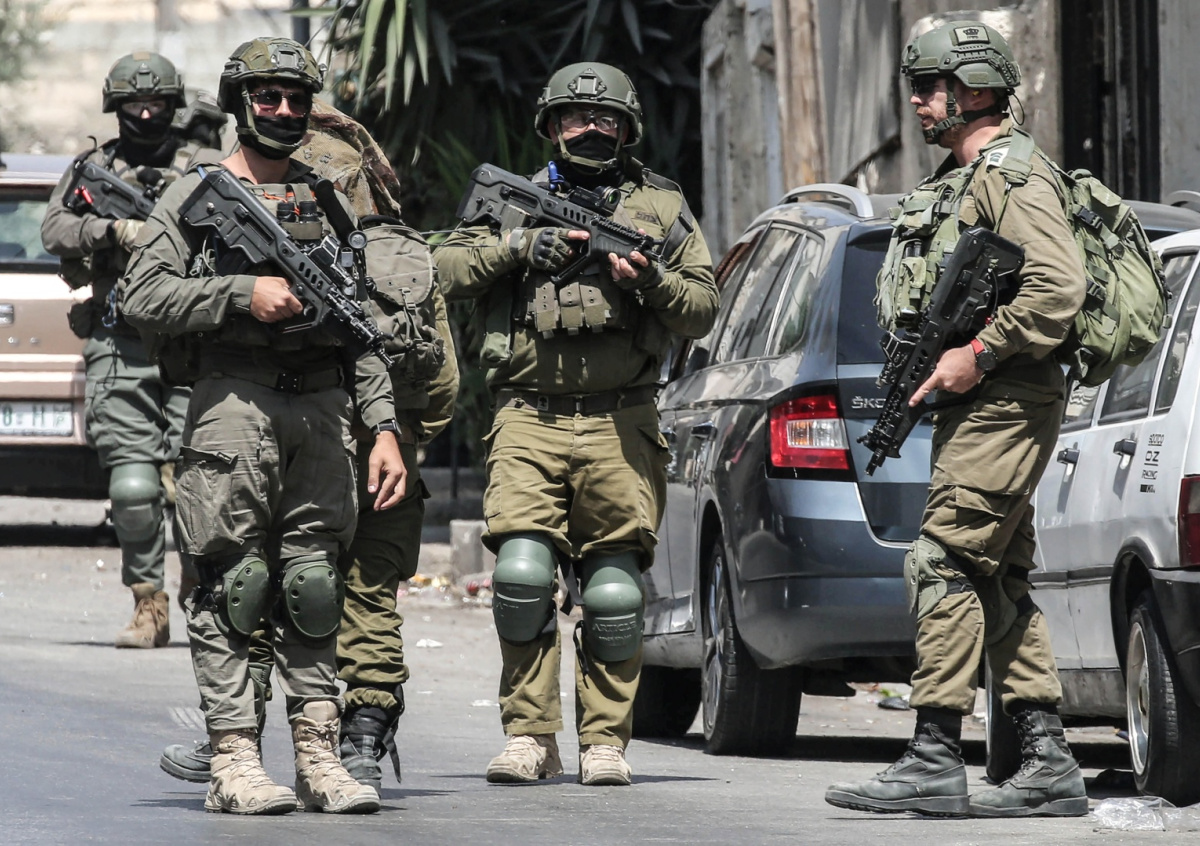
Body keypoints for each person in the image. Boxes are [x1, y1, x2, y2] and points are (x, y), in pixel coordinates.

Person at [120, 36, 406, 816]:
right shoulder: (197, 192)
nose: (282, 110)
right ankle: (234, 760)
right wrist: (241, 294)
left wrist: (383, 429)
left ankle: (318, 755)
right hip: (234, 406)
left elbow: (360, 331)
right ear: (239, 103)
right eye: (266, 97)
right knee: (233, 584)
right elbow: (140, 296)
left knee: (313, 584)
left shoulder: (329, 199)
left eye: (295, 98)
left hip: (322, 412)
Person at [823, 21, 1089, 818]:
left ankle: (934, 752)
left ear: (974, 90)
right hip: (985, 403)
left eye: (928, 87)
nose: (916, 101)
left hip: (1007, 398)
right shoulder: (967, 178)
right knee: (994, 575)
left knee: (939, 561)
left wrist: (978, 351)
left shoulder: (1011, 176)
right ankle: (1047, 760)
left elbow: (1057, 287)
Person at [157, 98, 461, 793]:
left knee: (267, 586)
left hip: (324, 433)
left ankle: (256, 742)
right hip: (363, 443)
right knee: (324, 591)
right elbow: (442, 384)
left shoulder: (354, 245)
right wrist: (397, 434)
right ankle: (345, 741)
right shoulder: (404, 250)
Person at [435, 62, 718, 786]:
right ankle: (530, 736)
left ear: (627, 129)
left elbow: (702, 307)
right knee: (522, 577)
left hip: (621, 419)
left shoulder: (660, 206)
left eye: (606, 118)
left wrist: (649, 280)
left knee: (614, 591)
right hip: (527, 416)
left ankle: (604, 742)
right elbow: (442, 269)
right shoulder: (514, 200)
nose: (591, 128)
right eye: (575, 117)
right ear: (551, 125)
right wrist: (516, 247)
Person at [41, 52, 209, 650]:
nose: (145, 113)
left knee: (203, 485)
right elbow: (53, 229)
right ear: (116, 106)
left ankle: (203, 589)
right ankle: (148, 605)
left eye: (156, 103)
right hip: (120, 341)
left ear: (173, 105)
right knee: (134, 489)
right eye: (135, 103)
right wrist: (110, 230)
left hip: (194, 343)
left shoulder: (203, 168)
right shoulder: (95, 170)